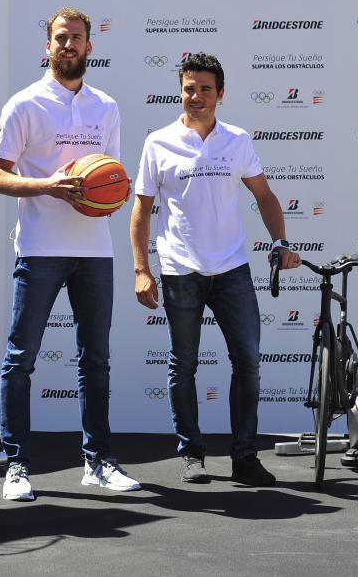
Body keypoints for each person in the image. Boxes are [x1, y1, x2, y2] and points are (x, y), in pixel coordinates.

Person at [0, 7, 140, 500]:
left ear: (90, 46)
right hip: (39, 249)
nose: (68, 45)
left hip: (94, 252)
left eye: (76, 38)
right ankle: (16, 466)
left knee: (96, 359)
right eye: (60, 38)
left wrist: (108, 192)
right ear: (47, 46)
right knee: (21, 358)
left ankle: (98, 461)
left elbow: (110, 178)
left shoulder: (106, 107)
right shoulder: (24, 104)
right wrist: (47, 185)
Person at [129, 52, 301, 486]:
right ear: (181, 91)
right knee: (183, 365)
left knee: (247, 362)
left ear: (221, 94)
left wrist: (281, 241)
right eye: (189, 88)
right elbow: (142, 209)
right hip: (180, 270)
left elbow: (264, 196)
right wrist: (140, 269)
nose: (196, 96)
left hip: (232, 270)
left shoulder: (237, 140)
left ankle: (245, 457)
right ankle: (192, 455)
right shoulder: (158, 142)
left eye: (205, 89)